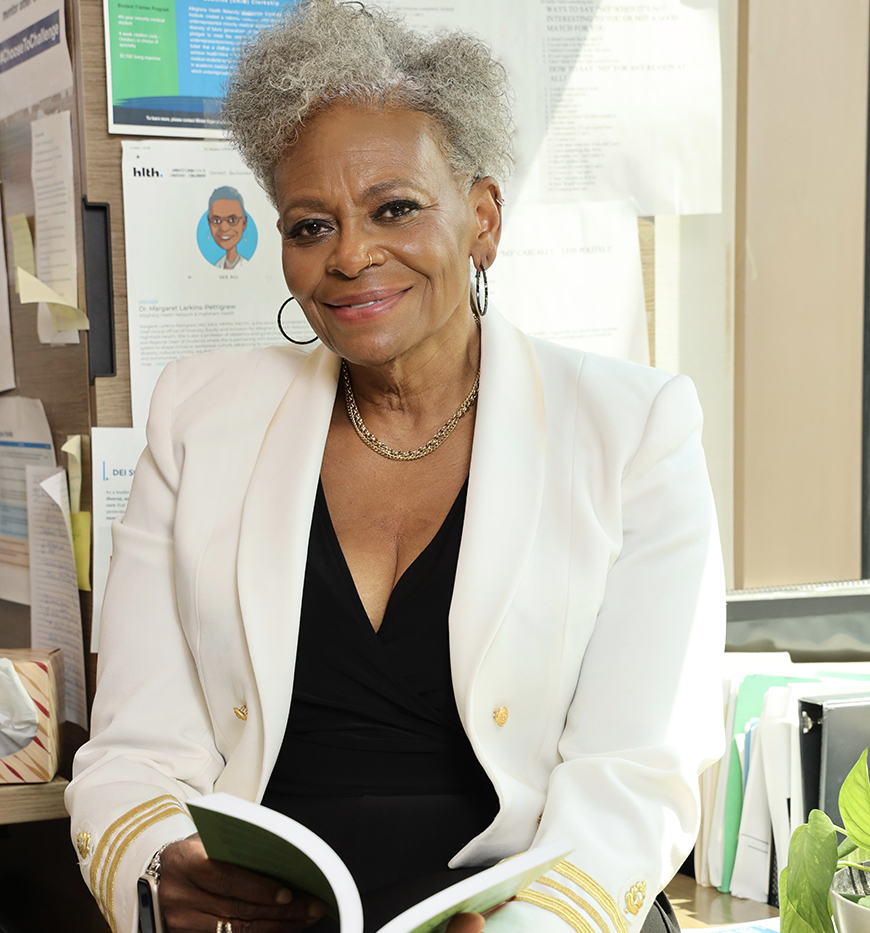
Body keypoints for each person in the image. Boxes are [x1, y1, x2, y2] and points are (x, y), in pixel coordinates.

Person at [67, 2, 725, 932]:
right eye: (309, 225)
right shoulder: (197, 418)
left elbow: (636, 768)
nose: (352, 254)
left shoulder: (634, 428)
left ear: (482, 219)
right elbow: (134, 749)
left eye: (395, 208)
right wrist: (155, 870)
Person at [207, 186, 248, 270]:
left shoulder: (248, 266)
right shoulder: (218, 265)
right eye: (217, 221)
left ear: (244, 222)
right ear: (209, 222)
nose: (224, 228)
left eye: (232, 220)